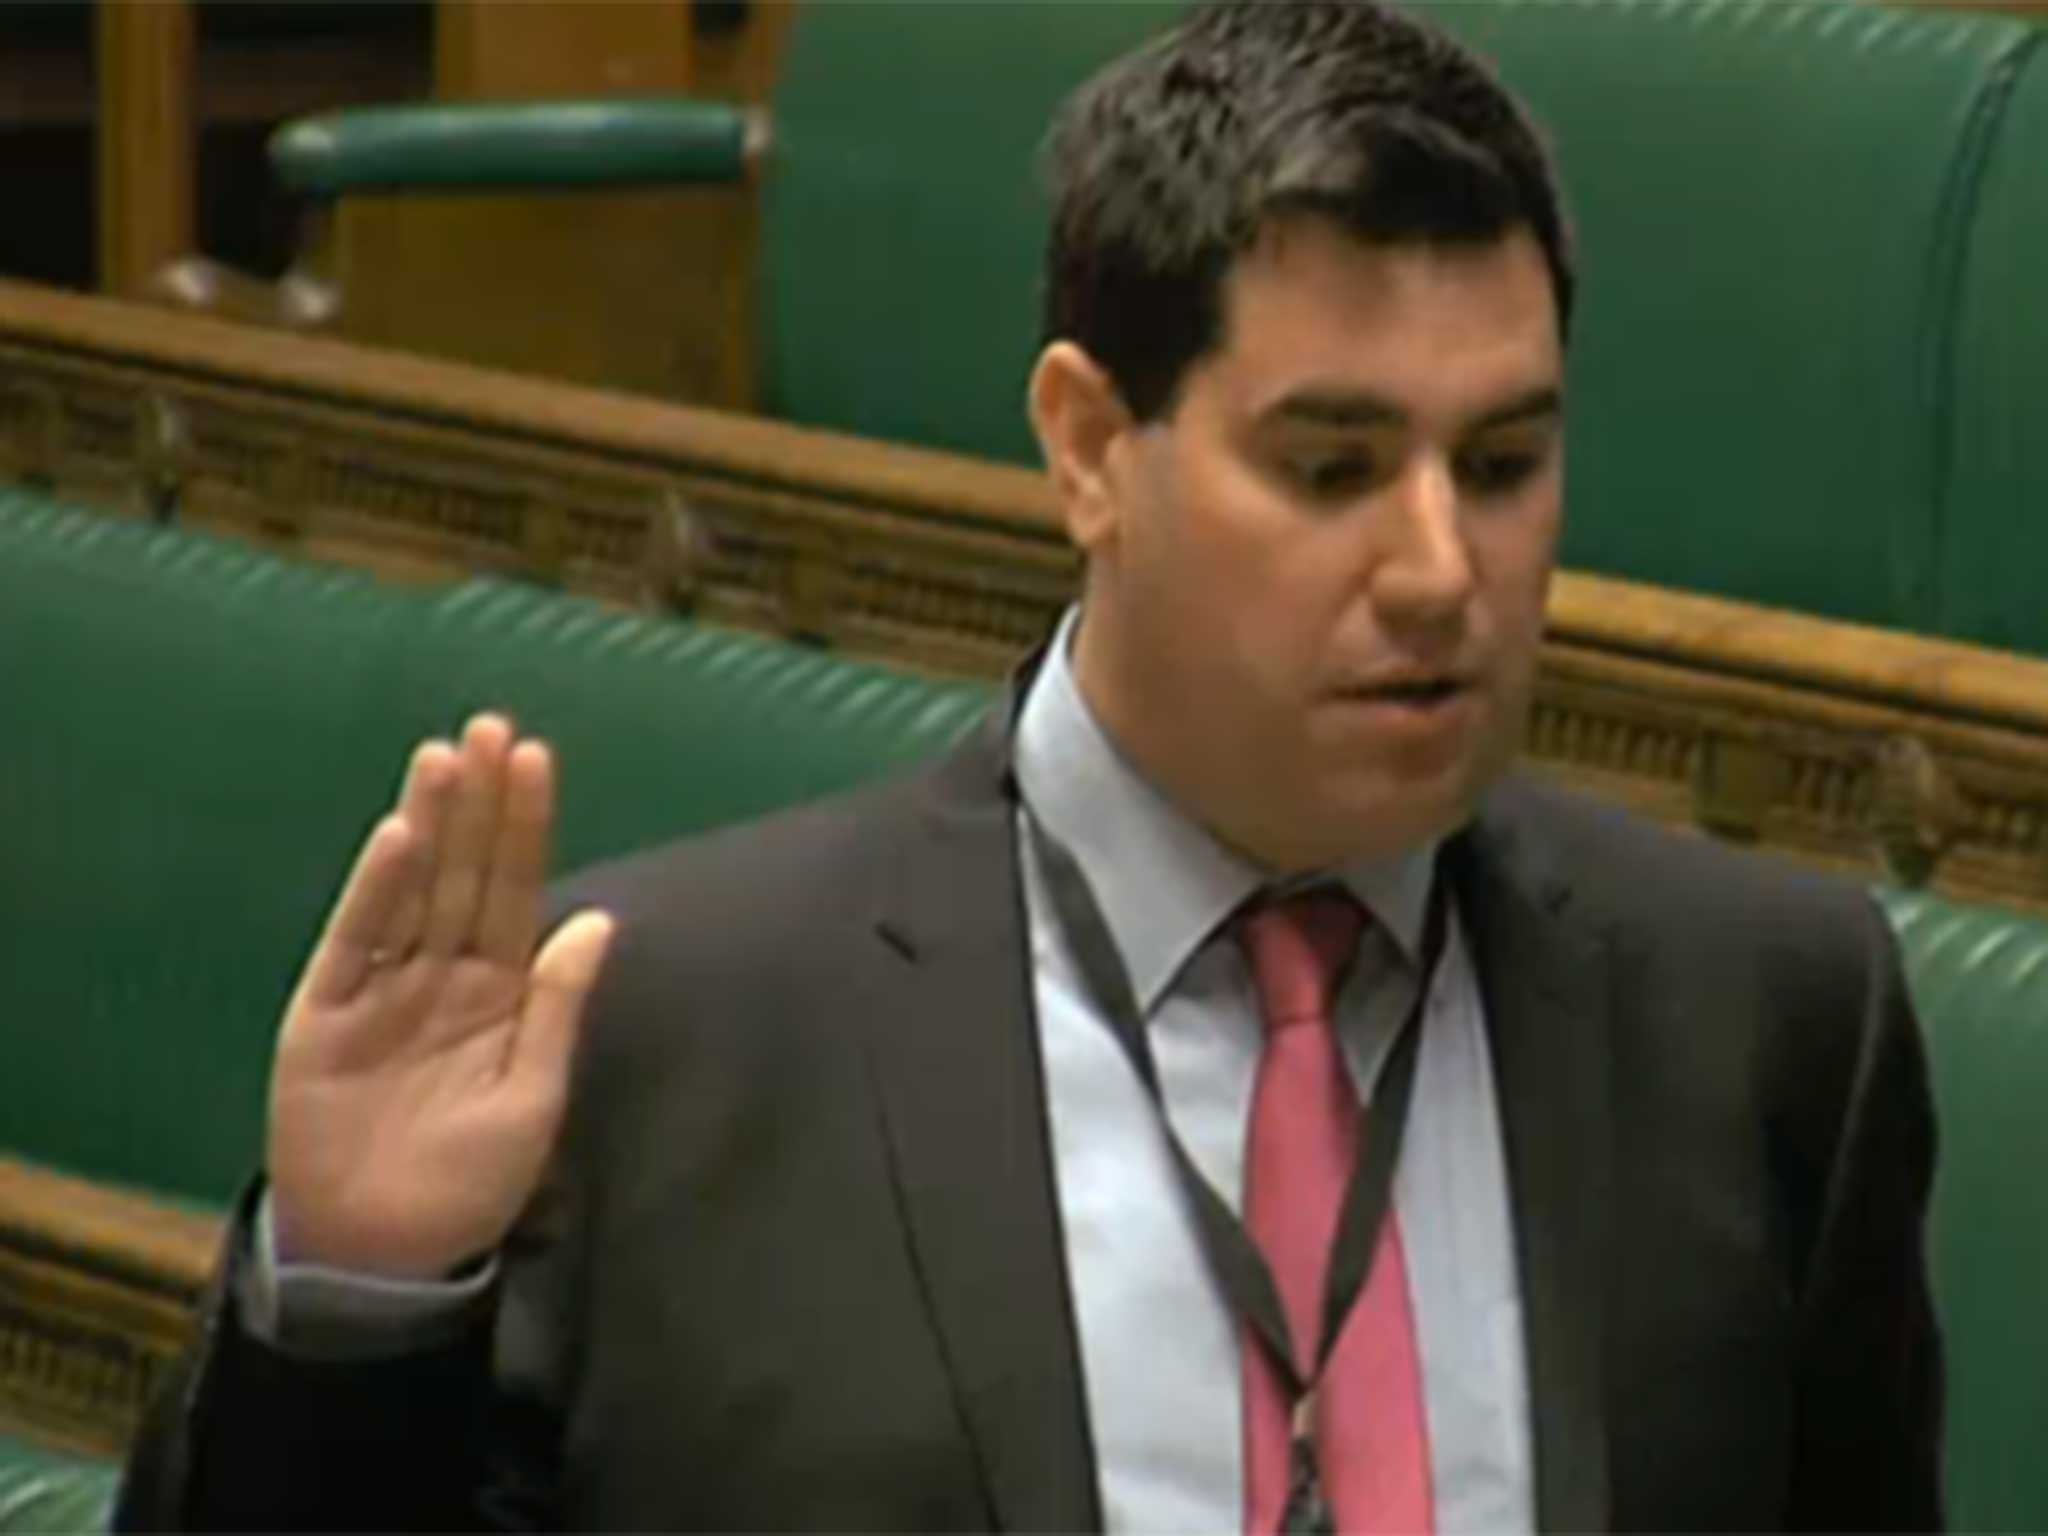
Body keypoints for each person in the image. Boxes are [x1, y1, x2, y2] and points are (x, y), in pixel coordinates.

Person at [115, 1, 1942, 1530]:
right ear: (1086, 447)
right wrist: (354, 1307)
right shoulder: (663, 1044)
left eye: (1503, 463)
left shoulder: (1768, 1016)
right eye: (1328, 466)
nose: (1441, 572)